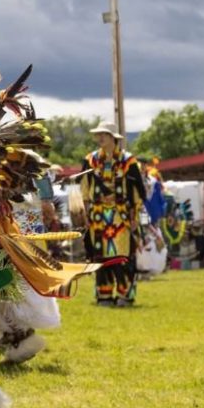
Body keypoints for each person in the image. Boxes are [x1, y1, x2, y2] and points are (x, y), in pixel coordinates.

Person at [81, 120, 147, 307]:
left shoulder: (128, 161)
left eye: (104, 134)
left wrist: (135, 216)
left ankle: (125, 295)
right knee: (101, 256)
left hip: (121, 216)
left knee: (121, 255)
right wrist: (85, 213)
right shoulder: (90, 160)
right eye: (98, 134)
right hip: (98, 216)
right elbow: (85, 188)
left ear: (113, 138)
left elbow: (137, 190)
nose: (100, 138)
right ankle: (104, 294)